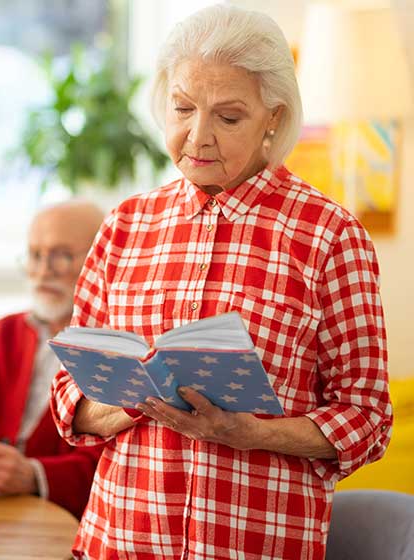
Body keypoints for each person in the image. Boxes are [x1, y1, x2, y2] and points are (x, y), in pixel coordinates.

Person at [50, 5, 393, 559]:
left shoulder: (331, 237)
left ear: (273, 118)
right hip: (118, 543)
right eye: (183, 108)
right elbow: (70, 398)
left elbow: (368, 419)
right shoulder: (126, 226)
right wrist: (141, 401)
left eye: (228, 118)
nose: (197, 137)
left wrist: (247, 432)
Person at [0, 200, 106, 518]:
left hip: (64, 521)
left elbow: (123, 464)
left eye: (61, 255)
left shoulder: (117, 351)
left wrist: (35, 475)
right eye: (36, 255)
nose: (44, 270)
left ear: (101, 262)